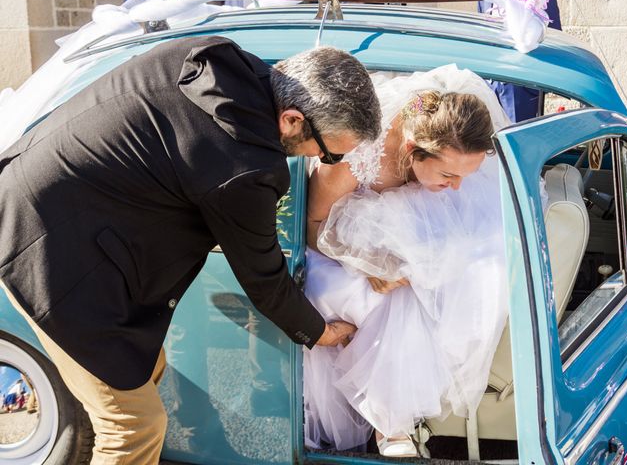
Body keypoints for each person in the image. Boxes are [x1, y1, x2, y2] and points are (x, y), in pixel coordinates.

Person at [0, 36, 381, 464]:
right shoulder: (245, 165)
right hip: (52, 254)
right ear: (292, 119)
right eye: (328, 153)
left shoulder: (215, 57)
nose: (324, 161)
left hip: (46, 201)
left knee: (145, 367)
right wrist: (319, 332)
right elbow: (263, 277)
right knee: (132, 427)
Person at [303, 65, 510, 456]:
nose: (456, 187)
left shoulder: (448, 165)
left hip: (396, 233)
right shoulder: (355, 156)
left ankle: (395, 417)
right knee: (384, 300)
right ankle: (390, 423)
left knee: (458, 276)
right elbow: (311, 226)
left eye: (466, 174)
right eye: (448, 174)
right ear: (412, 149)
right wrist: (369, 263)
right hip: (333, 249)